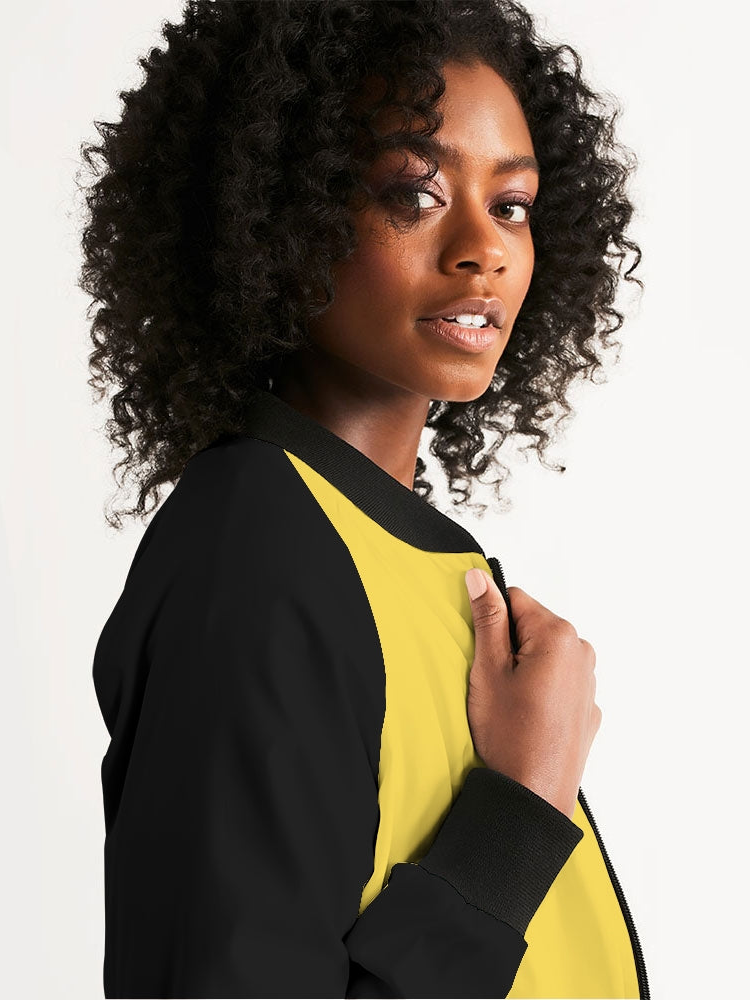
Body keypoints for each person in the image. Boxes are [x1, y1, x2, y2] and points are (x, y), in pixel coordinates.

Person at [79, 1, 647, 997]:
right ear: (278, 215)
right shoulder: (257, 553)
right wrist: (518, 808)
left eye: (511, 204)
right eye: (413, 192)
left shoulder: (389, 550)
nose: (483, 247)